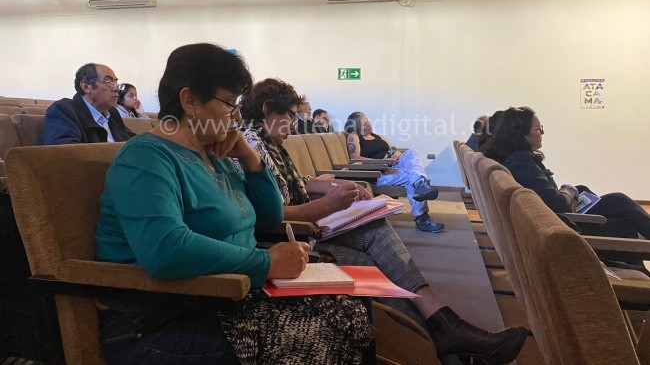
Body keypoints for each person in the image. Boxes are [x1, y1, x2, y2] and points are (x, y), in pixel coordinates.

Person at [94, 44, 374, 365]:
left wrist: (250, 158)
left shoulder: (216, 154)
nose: (238, 116)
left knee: (352, 305)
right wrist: (265, 262)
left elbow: (269, 215)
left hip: (226, 298)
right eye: (230, 103)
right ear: (190, 101)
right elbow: (165, 249)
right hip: (161, 318)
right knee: (327, 327)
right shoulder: (145, 157)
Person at [241, 78, 527, 364]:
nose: (294, 125)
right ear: (268, 109)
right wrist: (328, 204)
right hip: (289, 239)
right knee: (371, 266)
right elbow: (269, 212)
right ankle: (442, 336)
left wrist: (335, 185)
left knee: (376, 228)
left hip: (308, 228)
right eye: (291, 116)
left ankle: (444, 330)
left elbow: (298, 183)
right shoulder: (251, 144)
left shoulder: (269, 143)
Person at [482, 106, 650, 240]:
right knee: (620, 204)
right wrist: (567, 193)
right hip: (562, 229)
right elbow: (557, 204)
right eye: (538, 129)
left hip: (555, 223)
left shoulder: (513, 158)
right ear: (522, 135)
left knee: (587, 191)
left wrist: (570, 192)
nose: (542, 133)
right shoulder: (521, 161)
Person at [345, 112, 443, 233]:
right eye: (364, 123)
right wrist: (382, 163)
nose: (369, 124)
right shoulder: (354, 137)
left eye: (368, 121)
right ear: (356, 126)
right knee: (412, 177)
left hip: (393, 166)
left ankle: (420, 185)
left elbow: (395, 150)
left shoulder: (378, 136)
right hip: (378, 174)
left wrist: (395, 155)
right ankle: (422, 217)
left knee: (411, 152)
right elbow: (355, 158)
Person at [40, 63, 134, 145]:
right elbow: (65, 153)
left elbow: (132, 142)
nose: (116, 89)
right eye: (107, 81)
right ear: (86, 87)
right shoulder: (63, 110)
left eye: (116, 82)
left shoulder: (112, 113)